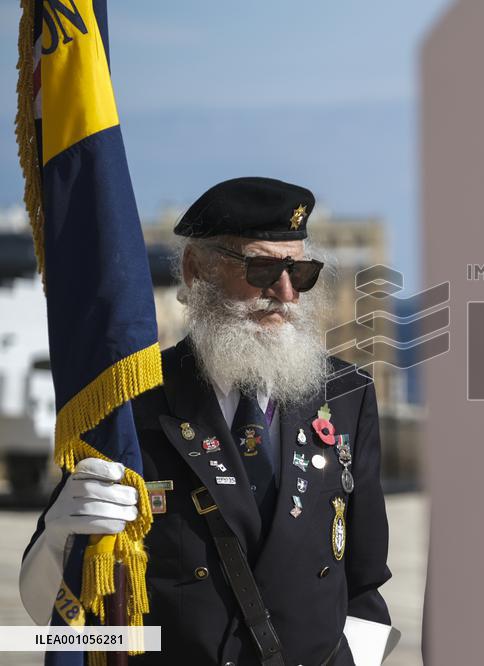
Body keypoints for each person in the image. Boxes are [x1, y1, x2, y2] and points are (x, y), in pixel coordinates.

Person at [19, 177, 395, 665]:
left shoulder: (347, 395)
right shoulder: (131, 404)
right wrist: (60, 537)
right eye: (262, 268)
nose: (286, 293)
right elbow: (45, 613)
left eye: (300, 272)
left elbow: (365, 578)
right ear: (197, 270)